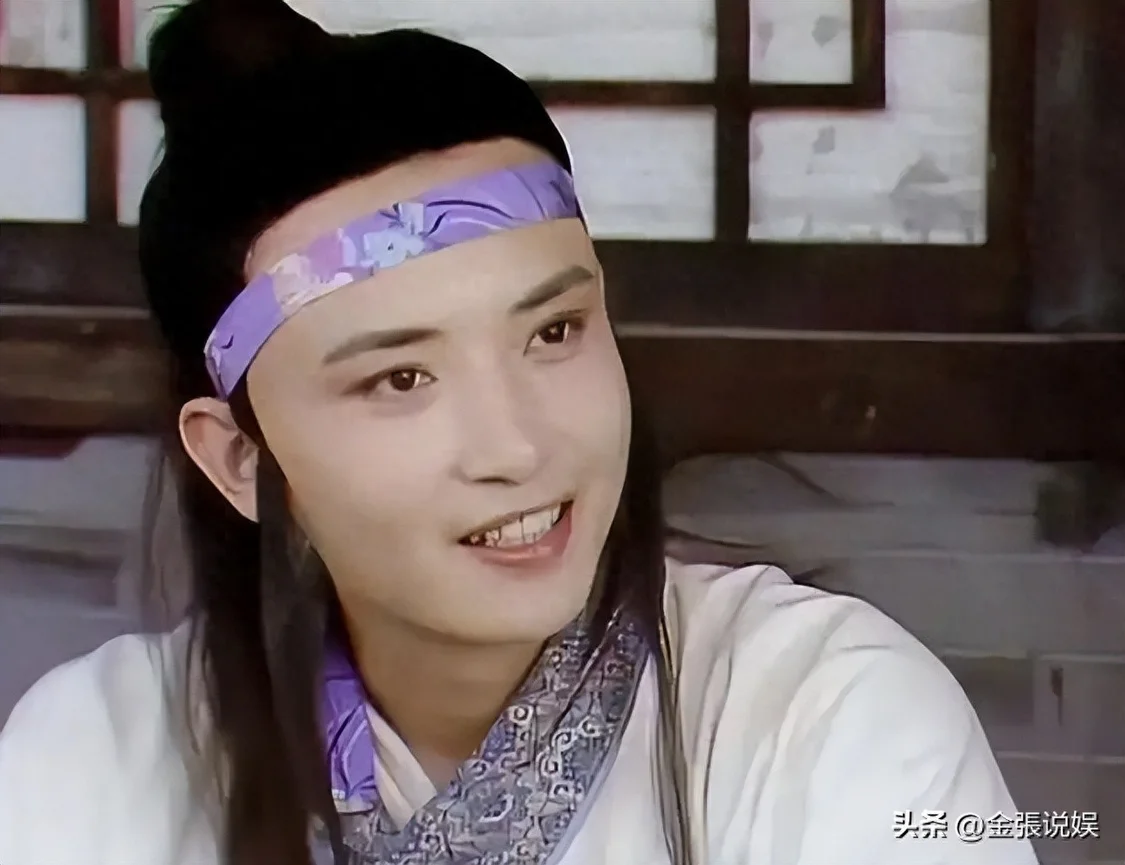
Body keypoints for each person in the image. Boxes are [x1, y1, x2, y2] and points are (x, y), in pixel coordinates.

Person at [0, 2, 1039, 864]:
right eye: (400, 377)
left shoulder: (826, 714)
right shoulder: (93, 756)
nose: (518, 447)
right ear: (239, 457)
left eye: (553, 331)